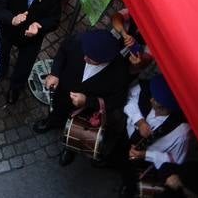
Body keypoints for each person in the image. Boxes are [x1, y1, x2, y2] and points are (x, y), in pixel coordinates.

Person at [32, 29, 130, 167]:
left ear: (105, 60)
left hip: (86, 110)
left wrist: (88, 101)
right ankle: (51, 122)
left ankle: (70, 148)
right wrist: (55, 73)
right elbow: (63, 52)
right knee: (57, 110)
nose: (84, 58)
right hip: (63, 91)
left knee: (77, 130)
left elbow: (116, 101)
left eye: (91, 58)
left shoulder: (120, 72)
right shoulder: (80, 41)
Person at [0, 0, 62, 104]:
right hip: (7, 29)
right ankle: (1, 71)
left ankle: (15, 88)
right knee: (0, 53)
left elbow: (54, 19)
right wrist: (12, 19)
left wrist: (39, 25)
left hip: (32, 37)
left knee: (25, 64)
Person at [120, 73, 190, 198]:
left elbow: (176, 162)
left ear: (168, 107)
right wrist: (140, 121)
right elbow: (130, 102)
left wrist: (146, 155)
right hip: (126, 137)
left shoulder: (181, 132)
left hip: (145, 162)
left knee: (131, 180)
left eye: (157, 100)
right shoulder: (147, 91)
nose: (151, 99)